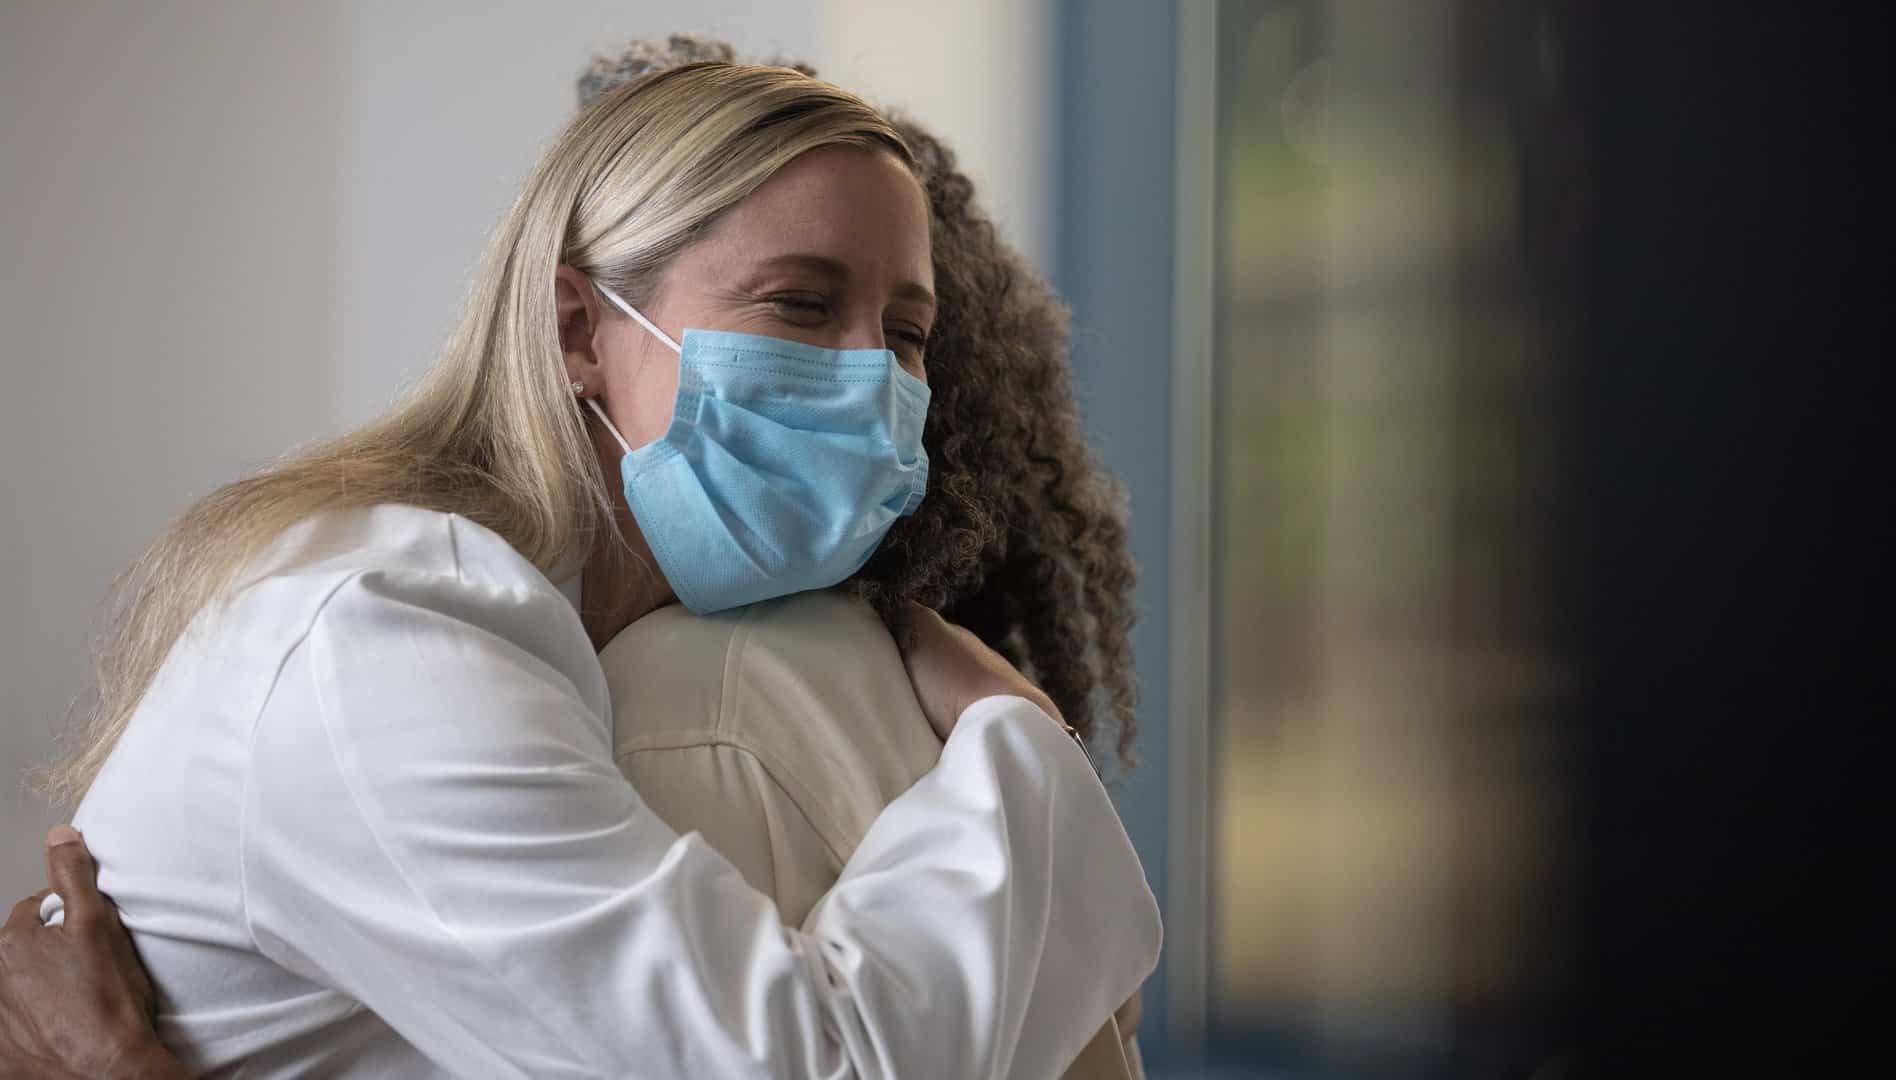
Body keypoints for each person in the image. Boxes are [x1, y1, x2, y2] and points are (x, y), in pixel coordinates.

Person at [19, 59, 1158, 1077]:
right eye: (801, 306)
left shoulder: (626, 644)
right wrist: (1022, 750)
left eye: (906, 332)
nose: (872, 376)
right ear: (578, 331)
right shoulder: (385, 638)